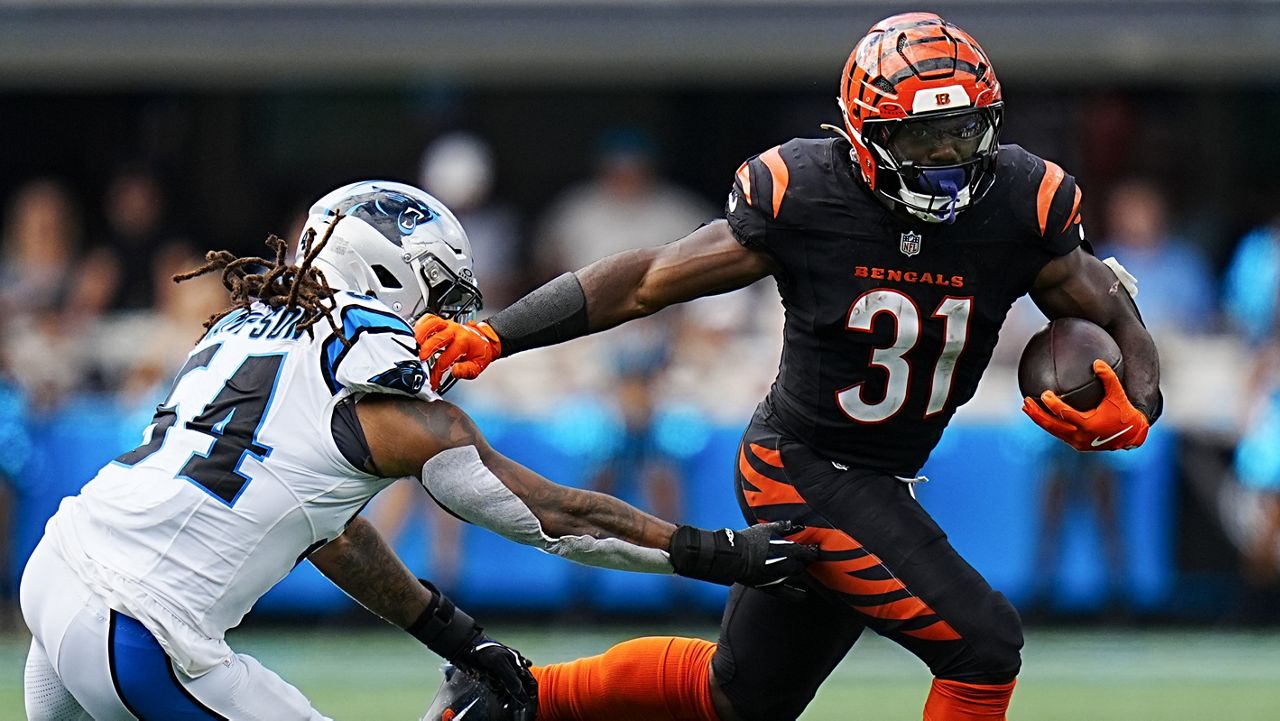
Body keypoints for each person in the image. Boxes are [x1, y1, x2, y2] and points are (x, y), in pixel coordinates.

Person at [416, 13, 1163, 721]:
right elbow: (649, 278)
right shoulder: (808, 193)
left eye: (963, 132)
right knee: (983, 646)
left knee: (740, 697)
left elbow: (1111, 308)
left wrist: (1141, 400)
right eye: (923, 139)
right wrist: (496, 334)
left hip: (875, 474)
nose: (947, 161)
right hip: (800, 464)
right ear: (866, 137)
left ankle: (502, 698)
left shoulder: (1019, 201)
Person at [19, 181, 814, 721]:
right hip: (138, 629)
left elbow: (323, 529)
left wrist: (453, 633)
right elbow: (556, 517)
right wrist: (715, 552)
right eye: (436, 294)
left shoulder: (242, 331)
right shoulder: (387, 402)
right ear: (385, 279)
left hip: (59, 567)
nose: (445, 318)